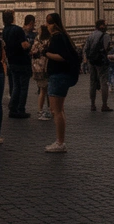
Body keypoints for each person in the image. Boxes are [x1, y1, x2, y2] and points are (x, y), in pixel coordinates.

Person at [42, 12, 79, 153]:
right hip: (62, 76)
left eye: (48, 23)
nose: (46, 25)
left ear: (54, 24)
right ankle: (60, 141)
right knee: (59, 110)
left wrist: (46, 53)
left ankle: (60, 142)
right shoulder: (64, 36)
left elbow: (63, 57)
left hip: (58, 76)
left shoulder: (57, 37)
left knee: (56, 111)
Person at [2, 11, 33, 118]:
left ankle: (12, 108)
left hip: (12, 61)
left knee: (16, 86)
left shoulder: (4, 30)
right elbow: (24, 45)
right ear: (12, 18)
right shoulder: (17, 29)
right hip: (22, 61)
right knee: (23, 87)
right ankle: (20, 109)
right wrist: (30, 45)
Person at [83, 19, 113, 112]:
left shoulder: (90, 35)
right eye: (105, 25)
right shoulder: (105, 35)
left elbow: (85, 49)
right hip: (101, 61)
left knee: (92, 82)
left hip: (91, 61)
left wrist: (86, 60)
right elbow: (106, 48)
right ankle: (104, 105)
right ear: (102, 26)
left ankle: (93, 105)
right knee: (104, 81)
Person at [31, 25, 52, 120]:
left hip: (37, 68)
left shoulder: (37, 40)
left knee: (43, 90)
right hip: (46, 67)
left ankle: (47, 110)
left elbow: (32, 51)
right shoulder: (48, 41)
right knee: (45, 90)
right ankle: (43, 111)